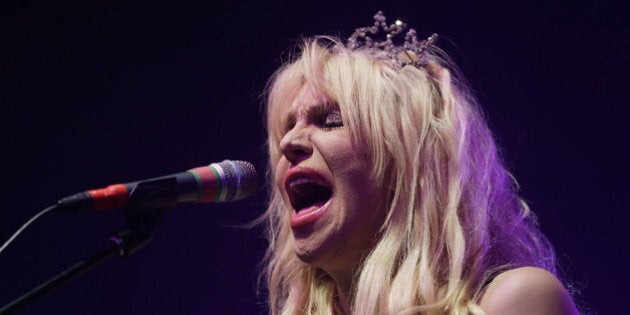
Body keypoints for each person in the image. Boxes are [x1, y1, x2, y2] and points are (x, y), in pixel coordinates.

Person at [259, 11, 579, 314]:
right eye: (289, 127)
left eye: (330, 120)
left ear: (408, 160)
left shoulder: (514, 300)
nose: (289, 142)